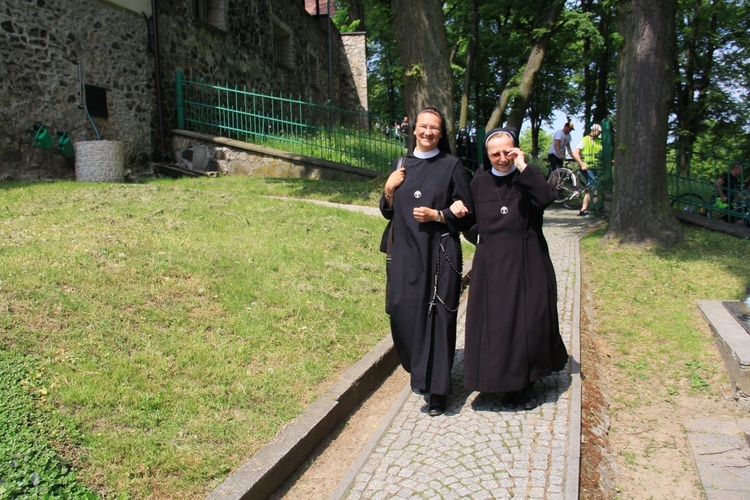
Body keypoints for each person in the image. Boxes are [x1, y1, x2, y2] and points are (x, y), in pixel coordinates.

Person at [463, 127, 568, 411]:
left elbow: (547, 198)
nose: (501, 158)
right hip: (491, 264)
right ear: (487, 155)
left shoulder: (527, 177)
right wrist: (484, 242)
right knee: (495, 324)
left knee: (528, 321)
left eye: (507, 152)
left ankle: (523, 385)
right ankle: (494, 381)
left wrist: (523, 166)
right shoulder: (479, 183)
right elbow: (467, 220)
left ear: (516, 150)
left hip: (528, 259)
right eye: (495, 154)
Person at [380, 107, 475, 417]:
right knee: (403, 317)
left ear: (442, 133)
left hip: (440, 254)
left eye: (434, 128)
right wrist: (389, 189)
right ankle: (419, 371)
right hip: (406, 255)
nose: (428, 132)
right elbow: (388, 212)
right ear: (414, 130)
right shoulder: (401, 165)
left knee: (437, 320)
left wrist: (440, 215)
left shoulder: (452, 166)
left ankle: (437, 391)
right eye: (423, 127)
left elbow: (467, 213)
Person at [571, 123, 602, 216]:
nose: (598, 133)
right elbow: (575, 153)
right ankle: (592, 208)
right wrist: (582, 164)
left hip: (595, 167)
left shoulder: (599, 142)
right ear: (593, 130)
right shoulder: (585, 140)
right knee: (593, 186)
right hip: (586, 167)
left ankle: (585, 209)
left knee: (591, 187)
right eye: (598, 131)